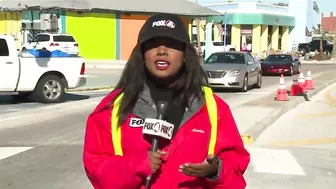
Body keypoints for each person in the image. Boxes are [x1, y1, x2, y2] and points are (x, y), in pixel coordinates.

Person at [83, 13, 250, 189]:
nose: (162, 51)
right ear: (142, 53)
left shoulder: (214, 109)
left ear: (185, 54)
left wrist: (215, 170)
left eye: (171, 44)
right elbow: (96, 168)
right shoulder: (112, 108)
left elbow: (235, 166)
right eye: (153, 44)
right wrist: (137, 165)